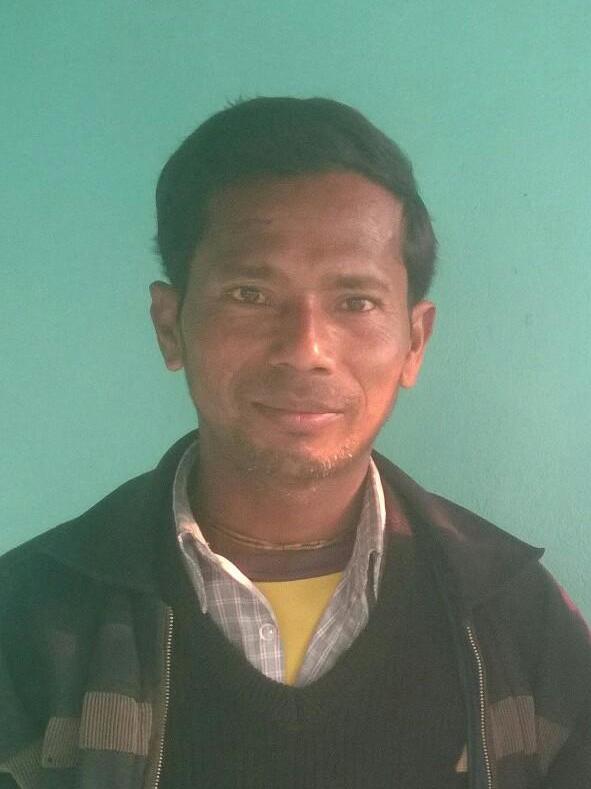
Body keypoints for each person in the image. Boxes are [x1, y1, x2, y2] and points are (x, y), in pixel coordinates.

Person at [0, 97, 589, 789]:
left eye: (355, 301)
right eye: (249, 293)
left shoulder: (515, 617)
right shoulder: (26, 618)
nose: (306, 348)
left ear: (414, 341)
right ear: (169, 325)